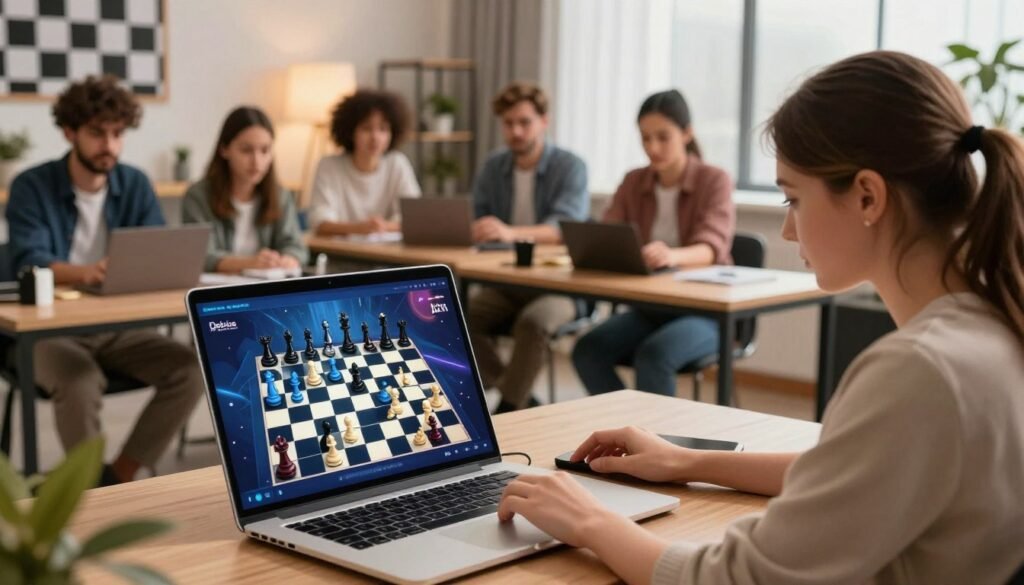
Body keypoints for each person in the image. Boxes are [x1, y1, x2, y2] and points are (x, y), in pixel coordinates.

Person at [497, 51, 1024, 584]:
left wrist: (588, 519)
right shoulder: (992, 325)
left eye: (793, 198)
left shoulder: (919, 370)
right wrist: (686, 460)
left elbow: (733, 578)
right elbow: (846, 477)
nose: (789, 231)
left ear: (868, 196)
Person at [6, 75, 204, 484]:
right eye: (97, 133)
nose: (109, 145)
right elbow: (32, 259)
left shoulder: (135, 183)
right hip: (49, 328)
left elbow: (156, 254)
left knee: (192, 366)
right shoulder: (31, 186)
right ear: (69, 131)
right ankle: (87, 486)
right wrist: (88, 273)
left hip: (116, 327)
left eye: (117, 133)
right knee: (79, 379)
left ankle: (115, 478)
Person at [572, 90, 735, 396]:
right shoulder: (634, 180)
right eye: (645, 138)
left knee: (654, 355)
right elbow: (609, 231)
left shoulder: (715, 179)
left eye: (663, 137)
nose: (652, 147)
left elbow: (712, 248)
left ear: (687, 133)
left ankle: (660, 442)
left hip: (706, 312)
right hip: (651, 307)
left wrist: (671, 255)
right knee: (588, 350)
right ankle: (626, 428)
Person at [466, 82, 589, 413]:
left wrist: (509, 232)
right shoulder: (494, 167)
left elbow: (564, 227)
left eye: (525, 122)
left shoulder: (570, 167)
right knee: (458, 316)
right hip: (510, 280)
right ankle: (520, 394)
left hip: (563, 285)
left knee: (533, 323)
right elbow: (476, 218)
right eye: (509, 124)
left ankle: (507, 407)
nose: (516, 131)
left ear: (544, 121)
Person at [182, 106, 308, 273]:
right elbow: (202, 257)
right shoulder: (198, 196)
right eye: (246, 150)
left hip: (267, 289)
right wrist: (250, 263)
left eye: (265, 150)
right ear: (224, 149)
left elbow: (296, 246)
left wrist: (288, 259)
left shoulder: (280, 195)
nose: (257, 161)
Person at [308, 89, 420, 236]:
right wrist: (359, 228)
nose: (375, 137)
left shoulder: (397, 164)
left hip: (390, 253)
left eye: (383, 129)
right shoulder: (329, 166)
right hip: (339, 253)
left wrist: (382, 227)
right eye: (366, 128)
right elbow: (320, 222)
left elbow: (415, 217)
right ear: (350, 132)